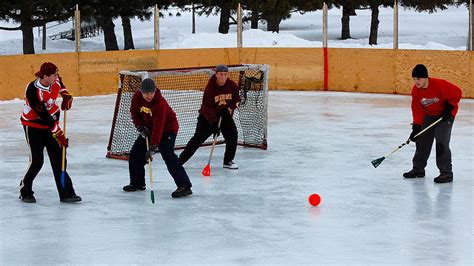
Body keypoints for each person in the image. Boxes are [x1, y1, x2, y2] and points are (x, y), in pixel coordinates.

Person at [19, 62, 81, 203]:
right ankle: (25, 191)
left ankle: (66, 193)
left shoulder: (55, 80)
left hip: (50, 122)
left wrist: (66, 95)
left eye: (57, 74)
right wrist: (58, 133)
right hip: (33, 125)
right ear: (45, 76)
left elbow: (61, 84)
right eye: (54, 75)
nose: (57, 77)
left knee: (59, 159)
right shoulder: (33, 91)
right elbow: (44, 117)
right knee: (37, 161)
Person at [124, 78, 193, 198]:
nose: (149, 96)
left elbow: (159, 127)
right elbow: (134, 113)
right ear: (141, 92)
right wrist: (140, 126)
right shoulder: (136, 98)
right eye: (146, 93)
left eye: (151, 93)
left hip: (167, 129)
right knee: (135, 153)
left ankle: (184, 185)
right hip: (148, 128)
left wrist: (153, 147)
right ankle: (137, 183)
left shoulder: (159, 103)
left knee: (168, 154)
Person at [404, 64, 462, 183]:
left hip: (445, 116)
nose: (416, 82)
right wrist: (416, 127)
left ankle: (446, 173)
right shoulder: (416, 90)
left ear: (426, 78)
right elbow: (417, 109)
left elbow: (457, 92)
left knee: (441, 141)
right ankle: (418, 168)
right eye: (414, 79)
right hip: (430, 115)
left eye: (418, 79)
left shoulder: (440, 84)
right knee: (422, 139)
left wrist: (449, 108)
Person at [179, 64, 241, 169]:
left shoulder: (232, 85)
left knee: (232, 134)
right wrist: (214, 123)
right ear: (216, 74)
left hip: (224, 115)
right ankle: (180, 161)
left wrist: (229, 108)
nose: (223, 77)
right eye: (221, 74)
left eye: (225, 74)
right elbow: (207, 107)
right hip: (207, 117)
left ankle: (228, 160)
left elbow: (237, 100)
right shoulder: (210, 88)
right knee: (197, 139)